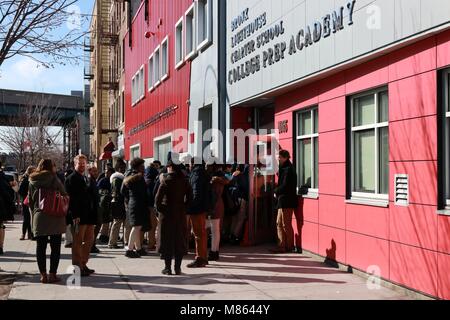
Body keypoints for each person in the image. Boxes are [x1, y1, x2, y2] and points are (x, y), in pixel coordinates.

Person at [28, 159, 68, 283]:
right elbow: (64, 193)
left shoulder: (32, 180)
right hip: (55, 215)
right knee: (55, 247)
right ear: (52, 167)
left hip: (40, 216)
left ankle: (43, 275)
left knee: (41, 247)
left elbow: (30, 201)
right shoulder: (54, 178)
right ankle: (52, 274)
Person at [155, 160, 192, 275]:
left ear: (170, 167)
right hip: (180, 214)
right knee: (179, 240)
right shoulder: (184, 181)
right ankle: (178, 268)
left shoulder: (166, 180)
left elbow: (157, 199)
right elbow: (190, 198)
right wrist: (184, 208)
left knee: (167, 240)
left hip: (167, 214)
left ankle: (167, 268)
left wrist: (161, 210)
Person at [65, 155, 98, 276]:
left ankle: (83, 263)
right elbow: (71, 199)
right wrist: (74, 215)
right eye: (80, 163)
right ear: (75, 164)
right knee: (77, 242)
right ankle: (77, 267)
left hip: (88, 215)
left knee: (90, 240)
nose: (82, 165)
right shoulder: (71, 178)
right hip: (78, 216)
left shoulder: (85, 178)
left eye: (84, 163)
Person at [121, 158, 151, 258]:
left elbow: (123, 191)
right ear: (138, 166)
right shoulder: (138, 177)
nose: (144, 167)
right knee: (137, 227)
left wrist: (129, 198)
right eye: (142, 166)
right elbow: (142, 193)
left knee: (137, 227)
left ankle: (138, 249)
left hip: (133, 203)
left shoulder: (129, 175)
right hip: (138, 204)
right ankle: (129, 249)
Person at [186, 157, 211, 268]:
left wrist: (190, 206)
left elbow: (196, 193)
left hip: (196, 209)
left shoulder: (196, 175)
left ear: (193, 164)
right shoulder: (203, 173)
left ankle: (200, 258)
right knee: (202, 233)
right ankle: (203, 257)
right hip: (202, 208)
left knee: (198, 234)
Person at [271, 150, 298, 254]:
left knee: (285, 224)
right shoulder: (284, 168)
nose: (278, 159)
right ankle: (282, 245)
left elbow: (285, 185)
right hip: (283, 200)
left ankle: (289, 246)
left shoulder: (288, 169)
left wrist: (276, 191)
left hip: (287, 201)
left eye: (280, 157)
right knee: (279, 223)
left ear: (285, 157)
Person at [208, 164, 230, 261]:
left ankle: (213, 252)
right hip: (219, 204)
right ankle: (215, 251)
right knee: (216, 230)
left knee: (210, 230)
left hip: (213, 205)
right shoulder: (222, 177)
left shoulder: (213, 179)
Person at [93, 167, 114, 252]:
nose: (106, 173)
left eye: (107, 172)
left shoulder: (112, 180)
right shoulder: (103, 180)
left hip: (108, 202)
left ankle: (104, 235)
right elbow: (98, 190)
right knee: (103, 220)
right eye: (105, 172)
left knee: (107, 220)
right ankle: (103, 235)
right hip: (102, 203)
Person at [108, 159, 127, 249]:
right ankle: (112, 243)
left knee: (118, 223)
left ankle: (115, 242)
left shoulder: (117, 178)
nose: (124, 169)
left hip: (118, 202)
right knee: (117, 223)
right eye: (123, 168)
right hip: (118, 203)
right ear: (119, 168)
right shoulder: (117, 179)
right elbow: (116, 192)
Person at [229, 164, 250, 244]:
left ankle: (231, 235)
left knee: (234, 218)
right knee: (241, 218)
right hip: (241, 198)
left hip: (234, 198)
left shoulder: (233, 175)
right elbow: (246, 188)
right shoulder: (242, 176)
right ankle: (235, 236)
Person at [0, 164, 15, 255]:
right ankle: (1, 246)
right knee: (1, 225)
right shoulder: (6, 177)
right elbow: (11, 192)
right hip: (2, 205)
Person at [18, 166, 36, 241]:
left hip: (31, 201)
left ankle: (30, 234)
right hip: (26, 201)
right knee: (27, 218)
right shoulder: (25, 180)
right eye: (33, 171)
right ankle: (24, 233)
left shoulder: (32, 179)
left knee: (30, 218)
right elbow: (20, 191)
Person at [145, 164, 159, 251]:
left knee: (143, 227)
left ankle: (139, 243)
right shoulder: (154, 183)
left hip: (143, 206)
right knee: (152, 227)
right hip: (151, 207)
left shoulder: (144, 181)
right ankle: (151, 244)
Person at [64, 169, 74, 248]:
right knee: (69, 224)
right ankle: (68, 241)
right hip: (69, 205)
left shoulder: (65, 181)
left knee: (68, 224)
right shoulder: (69, 181)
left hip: (67, 205)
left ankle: (68, 240)